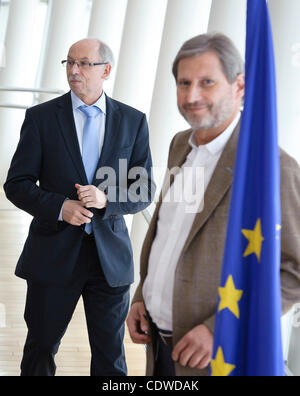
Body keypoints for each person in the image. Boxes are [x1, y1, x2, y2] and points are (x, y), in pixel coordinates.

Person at [127, 33, 300, 376]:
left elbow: (294, 271)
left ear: (240, 85)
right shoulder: (180, 144)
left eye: (206, 82)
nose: (192, 96)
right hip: (159, 347)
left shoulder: (272, 168)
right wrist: (141, 297)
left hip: (217, 358)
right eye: (184, 83)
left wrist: (221, 327)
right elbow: (170, 233)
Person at [4, 38, 155, 376]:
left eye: (84, 63)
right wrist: (60, 207)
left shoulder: (133, 121)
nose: (74, 70)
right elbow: (17, 184)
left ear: (106, 70)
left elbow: (144, 188)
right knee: (40, 347)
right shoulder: (41, 118)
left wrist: (106, 200)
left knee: (110, 358)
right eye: (69, 62)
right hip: (52, 254)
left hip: (109, 261)